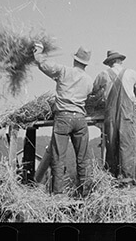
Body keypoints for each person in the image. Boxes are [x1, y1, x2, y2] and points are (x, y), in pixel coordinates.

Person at [33, 43, 93, 196]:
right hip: (80, 119)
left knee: (59, 157)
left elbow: (44, 65)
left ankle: (58, 193)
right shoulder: (88, 80)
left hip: (63, 118)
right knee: (83, 158)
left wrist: (38, 52)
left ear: (75, 59)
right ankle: (85, 193)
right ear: (86, 63)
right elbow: (91, 94)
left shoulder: (64, 71)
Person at [92, 50, 136, 185]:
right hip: (127, 113)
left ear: (109, 63)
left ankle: (112, 177)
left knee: (111, 144)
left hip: (110, 114)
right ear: (121, 61)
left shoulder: (103, 74)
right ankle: (128, 178)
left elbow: (94, 91)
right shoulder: (132, 73)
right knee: (128, 144)